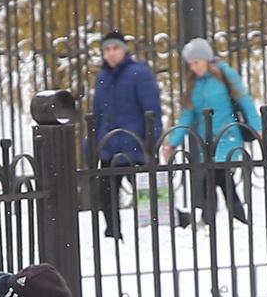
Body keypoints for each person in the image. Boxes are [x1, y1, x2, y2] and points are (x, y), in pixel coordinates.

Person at [162, 37, 257, 227]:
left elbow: (245, 100)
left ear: (206, 59)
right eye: (191, 64)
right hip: (208, 143)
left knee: (212, 180)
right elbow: (187, 116)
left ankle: (208, 222)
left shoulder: (225, 75)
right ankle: (238, 221)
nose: (194, 67)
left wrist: (258, 127)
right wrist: (173, 142)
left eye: (196, 62)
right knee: (223, 183)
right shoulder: (194, 85)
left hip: (228, 137)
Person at [87, 32, 163, 241]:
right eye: (107, 50)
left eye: (115, 48)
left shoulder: (139, 73)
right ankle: (113, 234)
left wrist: (152, 143)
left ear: (124, 49)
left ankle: (173, 223)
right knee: (106, 196)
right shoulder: (102, 77)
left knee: (150, 197)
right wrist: (93, 145)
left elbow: (152, 112)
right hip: (110, 147)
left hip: (135, 147)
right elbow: (97, 115)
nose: (111, 54)